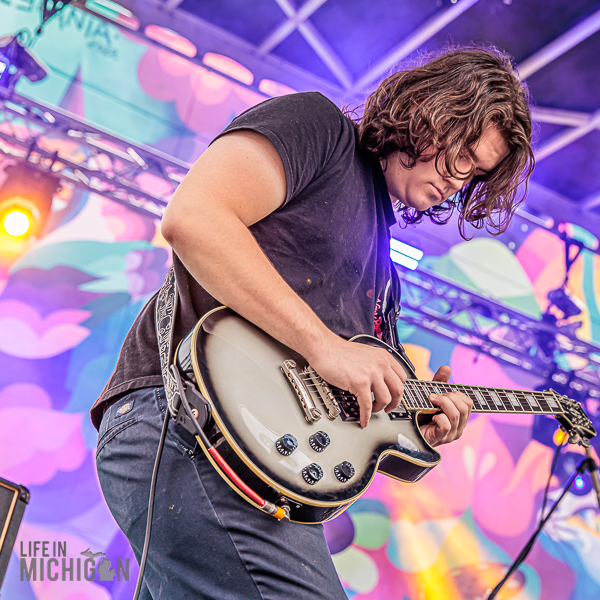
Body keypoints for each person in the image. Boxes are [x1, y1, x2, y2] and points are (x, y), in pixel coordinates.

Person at [91, 47, 534, 599]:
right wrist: (325, 345)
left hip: (253, 468)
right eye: (462, 151)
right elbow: (194, 218)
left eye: (479, 171)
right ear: (428, 110)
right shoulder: (318, 127)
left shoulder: (382, 275)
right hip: (186, 426)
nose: (461, 177)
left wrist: (415, 425)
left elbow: (335, 400)